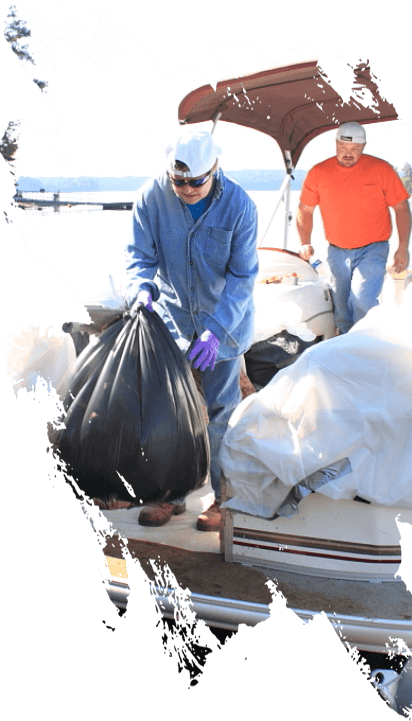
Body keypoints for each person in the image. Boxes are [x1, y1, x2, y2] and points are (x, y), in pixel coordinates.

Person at [124, 128, 259, 530]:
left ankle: (221, 498)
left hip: (225, 327)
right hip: (173, 322)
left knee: (221, 413)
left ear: (215, 169)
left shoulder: (239, 205)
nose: (187, 188)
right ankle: (171, 494)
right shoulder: (151, 197)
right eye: (179, 181)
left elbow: (243, 276)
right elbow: (138, 257)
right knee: (171, 413)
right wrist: (140, 288)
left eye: (197, 180)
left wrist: (216, 330)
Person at [296, 122, 412, 334]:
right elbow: (305, 210)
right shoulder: (319, 172)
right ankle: (346, 350)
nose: (348, 154)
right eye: (343, 148)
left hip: (373, 248)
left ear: (363, 146)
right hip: (336, 250)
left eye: (354, 149)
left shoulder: (381, 169)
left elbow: (402, 208)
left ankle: (367, 344)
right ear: (336, 144)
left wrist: (402, 247)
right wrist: (305, 242)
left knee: (362, 300)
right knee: (341, 308)